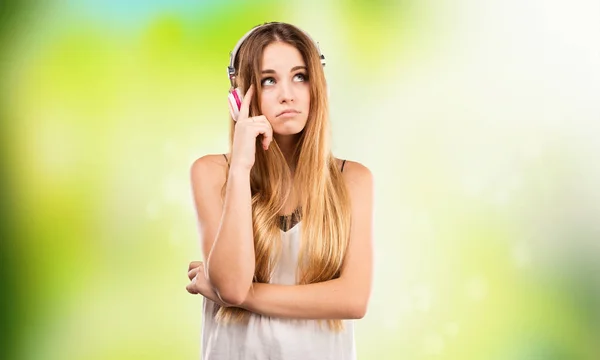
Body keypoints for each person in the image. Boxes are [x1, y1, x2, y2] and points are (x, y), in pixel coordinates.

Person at [185, 22, 374, 360]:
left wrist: (243, 296)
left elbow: (353, 299)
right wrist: (242, 167)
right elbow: (231, 284)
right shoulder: (213, 173)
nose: (287, 93)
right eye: (268, 80)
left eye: (300, 76)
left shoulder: (352, 179)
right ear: (238, 97)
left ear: (319, 87)